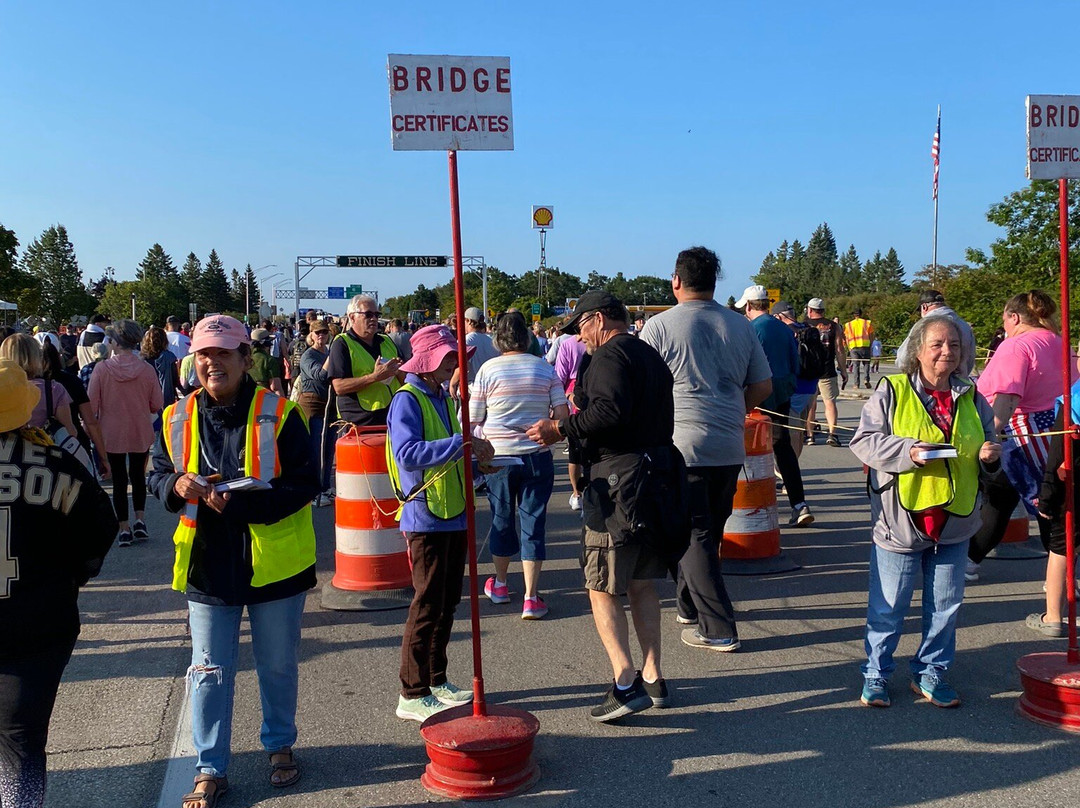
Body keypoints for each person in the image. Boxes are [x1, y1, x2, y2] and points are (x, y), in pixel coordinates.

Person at [148, 315, 318, 808]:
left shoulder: (281, 413)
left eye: (223, 353)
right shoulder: (175, 416)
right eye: (204, 353)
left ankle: (279, 745)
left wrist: (241, 504)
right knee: (208, 670)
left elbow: (305, 483)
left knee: (278, 664)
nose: (212, 362)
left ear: (246, 358)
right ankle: (209, 768)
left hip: (274, 565)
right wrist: (176, 486)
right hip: (207, 563)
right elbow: (157, 474)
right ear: (192, 359)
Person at [528, 290, 687, 722]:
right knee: (641, 581)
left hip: (619, 483)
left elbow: (609, 412)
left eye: (581, 327)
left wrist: (562, 427)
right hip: (656, 476)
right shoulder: (649, 356)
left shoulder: (610, 357)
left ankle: (624, 681)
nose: (580, 339)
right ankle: (653, 677)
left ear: (599, 319)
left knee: (600, 584)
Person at [849, 316, 1000, 709]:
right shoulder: (892, 390)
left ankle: (931, 672)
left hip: (956, 518)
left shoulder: (971, 394)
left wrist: (989, 455)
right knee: (889, 605)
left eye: (954, 344)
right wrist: (907, 452)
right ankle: (877, 674)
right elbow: (864, 441)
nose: (947, 352)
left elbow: (990, 444)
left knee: (946, 606)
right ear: (917, 350)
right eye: (937, 344)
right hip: (900, 520)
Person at [0, 359, 117, 808]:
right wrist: (72, 577)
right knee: (22, 743)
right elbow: (99, 531)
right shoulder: (57, 461)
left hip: (36, 624)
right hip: (38, 626)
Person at [641, 256, 771, 653]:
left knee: (693, 534)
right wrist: (734, 407)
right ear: (715, 281)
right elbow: (763, 386)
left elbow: (644, 387)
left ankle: (717, 627)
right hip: (729, 444)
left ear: (676, 280)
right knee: (709, 528)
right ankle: (688, 604)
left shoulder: (660, 326)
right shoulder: (739, 324)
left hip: (682, 443)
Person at [385, 325, 495, 722]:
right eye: (450, 359)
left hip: (452, 512)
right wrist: (462, 444)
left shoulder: (442, 398)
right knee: (427, 603)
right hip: (425, 516)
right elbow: (408, 453)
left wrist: (480, 466)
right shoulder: (407, 399)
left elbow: (454, 451)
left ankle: (436, 679)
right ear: (430, 362)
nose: (457, 365)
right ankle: (412, 691)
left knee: (446, 602)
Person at [471, 312, 568, 620]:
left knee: (501, 517)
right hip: (536, 454)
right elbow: (562, 415)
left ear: (497, 339)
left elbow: (474, 419)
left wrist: (481, 451)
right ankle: (531, 595)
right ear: (527, 337)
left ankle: (500, 584)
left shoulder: (487, 369)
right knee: (533, 521)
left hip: (498, 455)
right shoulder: (544, 368)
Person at [966, 290, 1066, 583]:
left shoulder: (1016, 347)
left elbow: (1008, 396)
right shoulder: (1058, 342)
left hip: (1022, 436)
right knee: (1002, 499)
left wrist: (991, 435)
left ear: (1015, 317)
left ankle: (1061, 574)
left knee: (1044, 504)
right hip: (1054, 432)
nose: (1004, 327)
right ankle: (970, 561)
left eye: (1005, 319)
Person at [738, 286, 813, 526]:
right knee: (783, 448)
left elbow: (744, 366)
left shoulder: (750, 330)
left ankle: (750, 506)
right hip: (783, 392)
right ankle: (799, 503)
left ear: (749, 306)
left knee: (749, 451)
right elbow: (795, 365)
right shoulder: (784, 328)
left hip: (756, 396)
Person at [88, 320, 163, 546]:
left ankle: (124, 528)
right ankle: (140, 520)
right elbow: (156, 403)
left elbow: (92, 406)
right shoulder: (147, 369)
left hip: (111, 431)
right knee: (139, 477)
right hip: (139, 429)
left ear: (114, 342)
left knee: (120, 481)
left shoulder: (101, 369)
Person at [1032, 374, 1080, 637]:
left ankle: (1053, 616)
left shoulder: (1072, 401)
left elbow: (1057, 454)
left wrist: (1047, 497)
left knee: (1061, 548)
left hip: (1072, 486)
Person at [327, 294, 403, 428]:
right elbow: (339, 387)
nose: (374, 319)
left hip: (392, 420)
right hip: (359, 426)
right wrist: (374, 377)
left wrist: (397, 372)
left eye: (376, 315)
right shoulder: (342, 343)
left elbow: (404, 377)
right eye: (368, 315)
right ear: (352, 317)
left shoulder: (386, 341)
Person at [40, 340, 108, 477]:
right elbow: (90, 422)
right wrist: (103, 457)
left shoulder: (31, 385)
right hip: (74, 444)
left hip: (41, 446)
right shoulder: (72, 381)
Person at [895, 290, 977, 378]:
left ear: (924, 307)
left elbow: (904, 359)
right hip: (959, 383)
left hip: (928, 384)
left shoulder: (924, 324)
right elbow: (970, 360)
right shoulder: (965, 326)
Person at [297, 320, 336, 504]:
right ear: (311, 335)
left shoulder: (329, 353)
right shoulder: (308, 356)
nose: (321, 336)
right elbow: (320, 375)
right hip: (312, 406)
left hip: (329, 407)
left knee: (328, 450)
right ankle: (314, 491)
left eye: (324, 332)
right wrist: (332, 356)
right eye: (318, 333)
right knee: (316, 450)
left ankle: (325, 487)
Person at [804, 298, 847, 447]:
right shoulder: (834, 326)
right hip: (827, 370)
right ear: (823, 310)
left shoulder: (804, 325)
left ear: (809, 310)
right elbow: (839, 350)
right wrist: (843, 370)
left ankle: (810, 435)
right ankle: (832, 434)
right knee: (830, 403)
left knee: (811, 404)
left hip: (808, 371)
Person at [554, 330, 588, 509]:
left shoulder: (567, 344)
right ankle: (589, 491)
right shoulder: (600, 343)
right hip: (593, 394)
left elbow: (559, 375)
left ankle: (577, 493)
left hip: (572, 395)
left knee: (575, 452)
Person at [143, 325, 181, 423]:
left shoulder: (142, 360)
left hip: (147, 400)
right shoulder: (169, 357)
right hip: (166, 398)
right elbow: (175, 380)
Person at [463, 307, 499, 382]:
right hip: (490, 384)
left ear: (468, 321)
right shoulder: (492, 341)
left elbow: (461, 367)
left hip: (471, 386)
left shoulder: (465, 341)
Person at [843, 308, 875, 389]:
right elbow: (871, 335)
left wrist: (849, 347)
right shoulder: (867, 323)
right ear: (861, 314)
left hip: (853, 347)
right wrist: (870, 345)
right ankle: (866, 380)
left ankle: (856, 384)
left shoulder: (849, 325)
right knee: (866, 364)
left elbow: (846, 337)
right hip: (865, 346)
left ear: (854, 315)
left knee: (856, 366)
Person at [248, 328, 285, 395]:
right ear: (266, 344)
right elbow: (275, 387)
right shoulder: (269, 360)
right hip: (263, 399)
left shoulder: (245, 359)